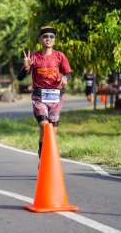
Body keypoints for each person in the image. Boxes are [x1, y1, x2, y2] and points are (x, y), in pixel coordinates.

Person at [17, 26, 72, 159]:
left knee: (52, 131)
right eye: (45, 36)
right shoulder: (34, 57)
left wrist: (65, 78)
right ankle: (42, 155)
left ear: (54, 40)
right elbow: (20, 77)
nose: (48, 39)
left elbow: (68, 73)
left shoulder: (60, 56)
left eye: (51, 37)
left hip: (57, 95)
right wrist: (26, 66)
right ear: (40, 39)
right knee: (44, 125)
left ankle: (48, 159)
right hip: (39, 96)